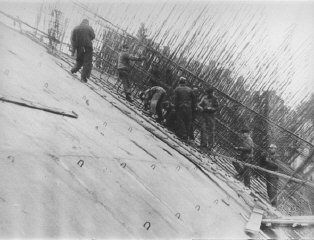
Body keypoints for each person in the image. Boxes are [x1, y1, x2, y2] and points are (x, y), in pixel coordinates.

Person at [173, 77, 196, 141]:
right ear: (185, 82)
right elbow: (194, 100)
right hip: (189, 107)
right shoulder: (190, 89)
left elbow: (175, 99)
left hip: (181, 107)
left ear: (179, 82)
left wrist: (175, 107)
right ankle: (186, 135)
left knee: (181, 120)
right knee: (187, 121)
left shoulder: (177, 89)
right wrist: (193, 108)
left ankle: (183, 134)